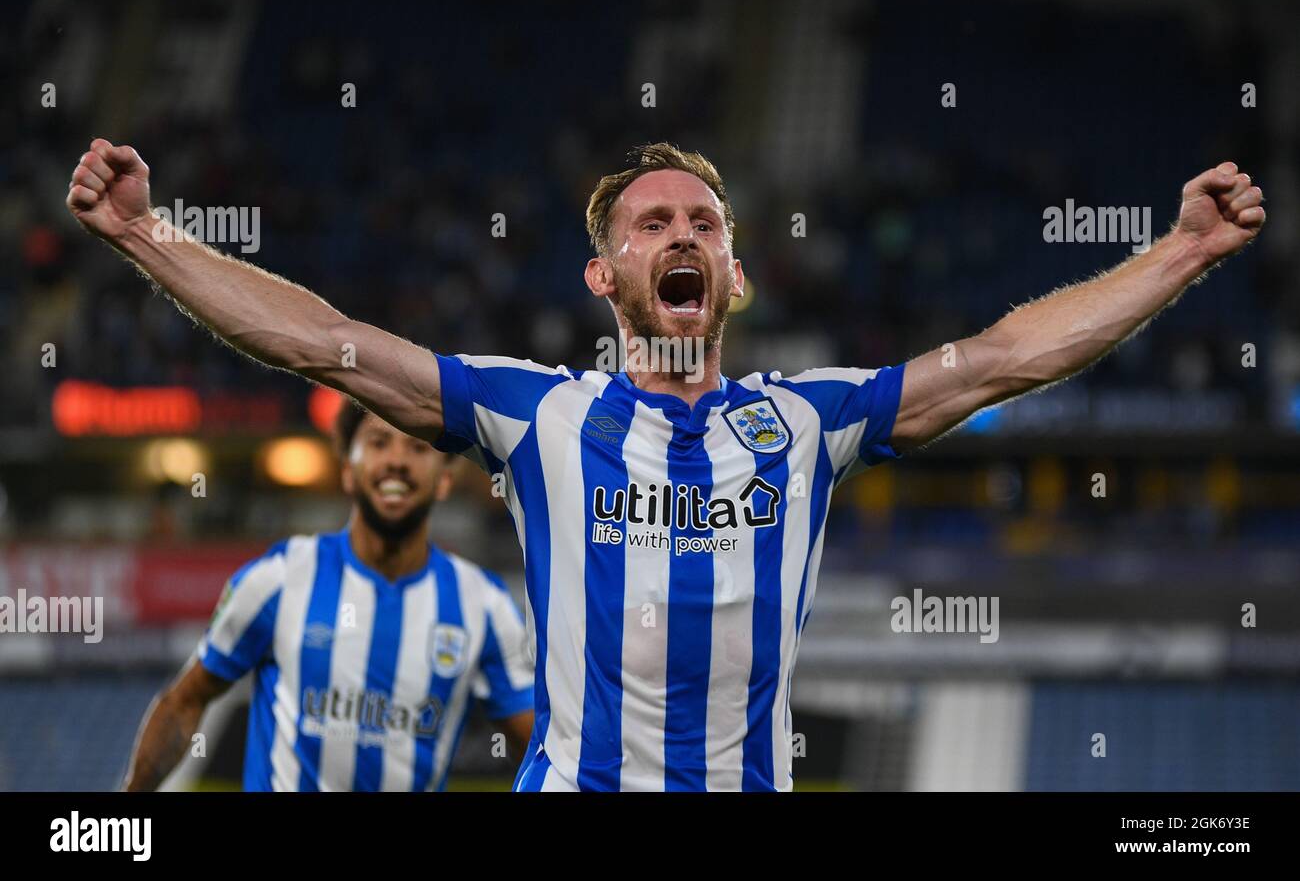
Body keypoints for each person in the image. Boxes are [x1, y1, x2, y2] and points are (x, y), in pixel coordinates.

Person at [72, 139, 1264, 791]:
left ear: (736, 277)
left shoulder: (811, 419)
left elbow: (1004, 356)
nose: (682, 235)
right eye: (650, 224)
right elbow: (316, 339)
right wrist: (145, 230)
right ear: (604, 279)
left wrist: (1181, 253)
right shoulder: (532, 412)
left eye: (704, 223)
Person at [122, 400, 533, 791]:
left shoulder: (482, 605)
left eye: (417, 446)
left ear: (445, 478)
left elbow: (537, 749)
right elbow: (184, 701)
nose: (396, 460)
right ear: (348, 471)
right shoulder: (280, 578)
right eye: (377, 442)